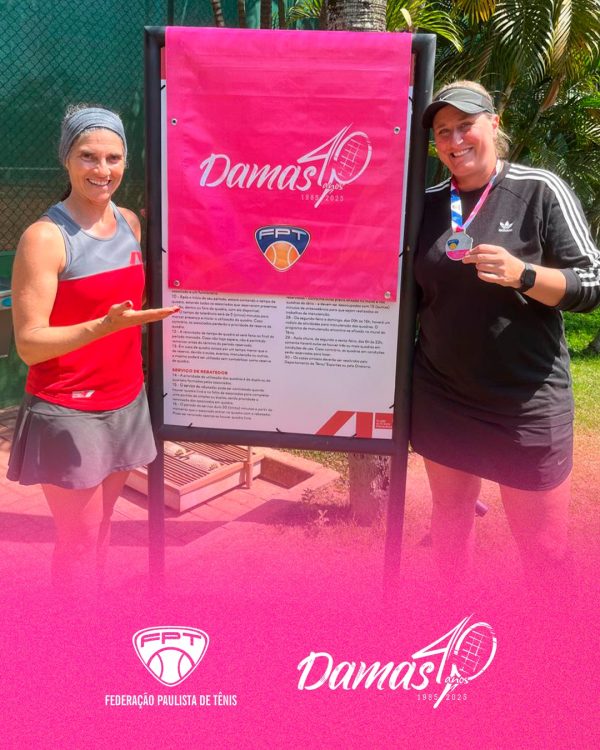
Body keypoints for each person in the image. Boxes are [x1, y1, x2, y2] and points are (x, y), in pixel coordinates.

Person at [411, 81, 600, 589]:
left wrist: (524, 274)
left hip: (525, 400)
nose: (455, 141)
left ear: (494, 124)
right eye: (442, 132)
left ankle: (549, 635)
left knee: (545, 548)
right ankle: (451, 625)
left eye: (465, 125)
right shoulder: (425, 205)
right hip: (443, 395)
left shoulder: (539, 190)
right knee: (450, 523)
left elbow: (592, 282)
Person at [7, 105, 179, 595]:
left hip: (125, 402)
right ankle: (75, 638)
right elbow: (29, 344)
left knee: (102, 534)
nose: (102, 170)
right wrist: (103, 327)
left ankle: (95, 625)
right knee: (78, 545)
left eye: (113, 158)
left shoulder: (130, 223)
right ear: (66, 158)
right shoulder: (44, 238)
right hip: (69, 411)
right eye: (88, 156)